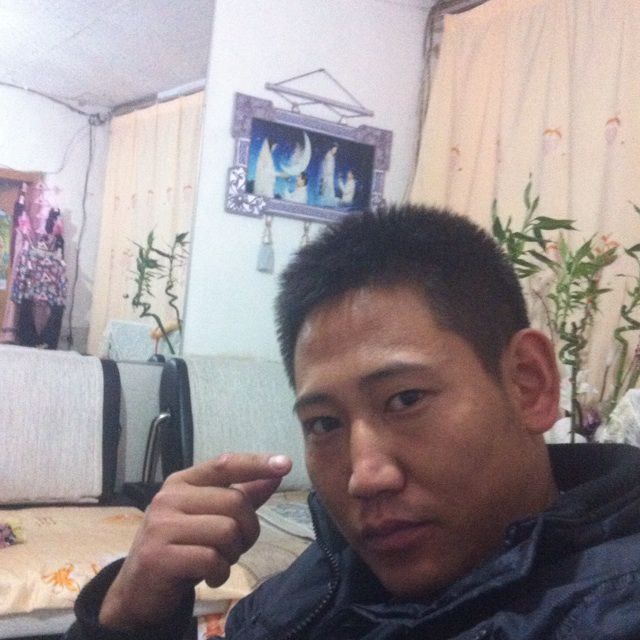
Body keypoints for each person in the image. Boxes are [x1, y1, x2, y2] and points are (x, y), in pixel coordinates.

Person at [66, 205, 640, 640]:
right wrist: (129, 616)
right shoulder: (326, 576)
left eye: (405, 399)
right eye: (324, 424)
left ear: (528, 384)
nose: (364, 477)